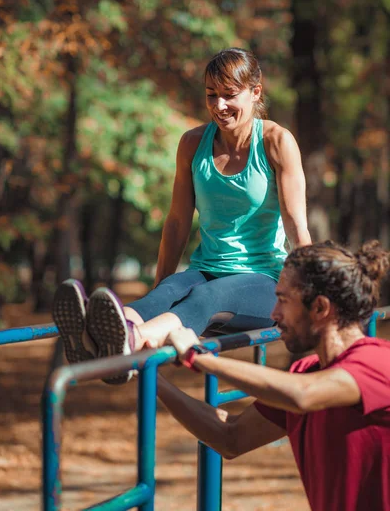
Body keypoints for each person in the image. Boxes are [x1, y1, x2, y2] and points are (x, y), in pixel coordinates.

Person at [52, 47, 311, 383]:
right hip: (206, 269)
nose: (219, 106)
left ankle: (129, 346)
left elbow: (295, 225)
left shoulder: (276, 142)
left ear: (255, 92)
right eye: (211, 95)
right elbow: (176, 222)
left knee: (208, 296)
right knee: (169, 290)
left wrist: (308, 292)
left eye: (230, 95)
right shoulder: (192, 144)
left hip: (262, 279)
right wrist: (160, 290)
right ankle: (96, 340)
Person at [160, 240, 390, 511]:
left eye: (282, 300)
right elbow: (230, 436)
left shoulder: (378, 364)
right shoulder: (305, 373)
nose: (273, 314)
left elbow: (303, 395)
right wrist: (151, 380)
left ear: (320, 308)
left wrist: (198, 357)